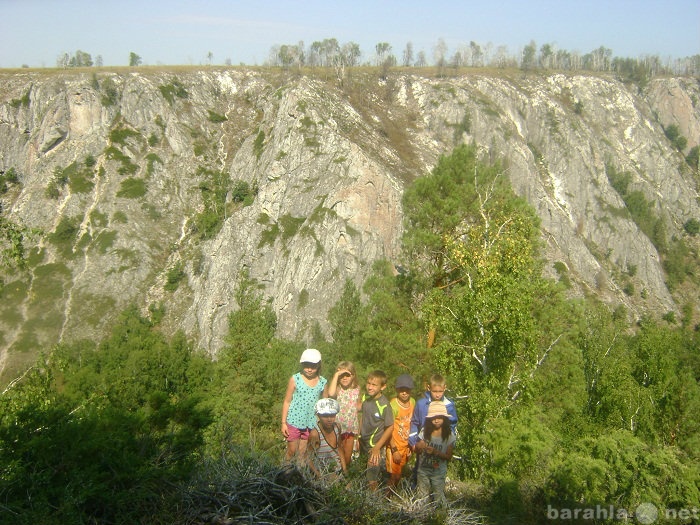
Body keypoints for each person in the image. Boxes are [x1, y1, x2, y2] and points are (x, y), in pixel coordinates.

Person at [408, 374, 458, 488]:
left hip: (440, 447)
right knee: (420, 471)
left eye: (440, 391)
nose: (437, 394)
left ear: (445, 388)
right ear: (429, 388)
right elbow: (415, 422)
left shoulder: (449, 406)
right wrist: (413, 441)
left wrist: (449, 445)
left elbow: (452, 426)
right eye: (435, 391)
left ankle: (437, 500)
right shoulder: (422, 404)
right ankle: (416, 496)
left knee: (437, 475)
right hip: (423, 444)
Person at [281, 348, 327, 464]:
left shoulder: (322, 382)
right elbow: (287, 401)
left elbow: (324, 404)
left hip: (311, 423)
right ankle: (285, 473)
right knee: (292, 451)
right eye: (306, 365)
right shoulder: (295, 379)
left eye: (313, 366)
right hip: (294, 420)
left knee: (303, 453)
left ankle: (301, 477)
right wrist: (283, 423)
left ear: (318, 365)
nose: (309, 369)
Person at [414, 401, 456, 507]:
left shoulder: (449, 436)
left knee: (438, 496)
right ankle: (422, 517)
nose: (436, 420)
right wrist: (419, 446)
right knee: (422, 497)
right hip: (423, 470)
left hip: (438, 473)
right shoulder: (424, 432)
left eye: (439, 417)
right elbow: (417, 450)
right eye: (433, 418)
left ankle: (441, 517)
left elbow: (448, 456)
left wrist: (435, 452)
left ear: (444, 418)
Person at [358, 370, 394, 491]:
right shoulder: (366, 398)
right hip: (363, 443)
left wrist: (377, 447)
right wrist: (358, 436)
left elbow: (390, 427)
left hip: (374, 446)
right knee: (361, 473)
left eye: (374, 385)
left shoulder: (385, 405)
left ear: (383, 387)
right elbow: (363, 416)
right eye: (368, 383)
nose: (370, 387)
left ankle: (374, 505)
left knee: (372, 478)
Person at [325, 361, 360, 468]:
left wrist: (358, 435)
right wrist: (336, 375)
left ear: (353, 376)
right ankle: (337, 476)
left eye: (347, 375)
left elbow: (359, 409)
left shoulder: (357, 389)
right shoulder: (337, 389)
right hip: (337, 428)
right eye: (342, 376)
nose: (344, 378)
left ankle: (345, 478)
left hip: (350, 429)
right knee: (337, 455)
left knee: (347, 457)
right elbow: (330, 394)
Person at [386, 373, 416, 491]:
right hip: (394, 446)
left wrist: (410, 444)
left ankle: (391, 499)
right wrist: (394, 450)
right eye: (401, 389)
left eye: (407, 390)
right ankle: (383, 502)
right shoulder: (393, 405)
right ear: (397, 389)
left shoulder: (412, 402)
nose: (404, 393)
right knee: (394, 476)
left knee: (399, 476)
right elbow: (388, 429)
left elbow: (413, 423)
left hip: (405, 446)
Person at [307, 398, 347, 480]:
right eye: (325, 415)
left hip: (338, 471)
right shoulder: (315, 434)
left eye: (332, 415)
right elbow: (308, 457)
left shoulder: (337, 427)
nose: (329, 419)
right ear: (318, 416)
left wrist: (345, 469)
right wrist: (319, 475)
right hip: (323, 473)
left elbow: (339, 448)